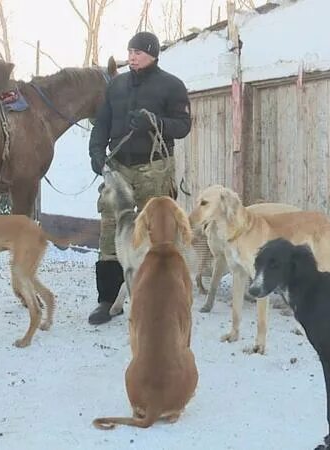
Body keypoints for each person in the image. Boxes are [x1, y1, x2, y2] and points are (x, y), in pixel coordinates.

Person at [87, 31, 192, 325]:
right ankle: (107, 300)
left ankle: (159, 295)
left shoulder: (172, 86)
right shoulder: (116, 85)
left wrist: (154, 122)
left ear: (153, 54)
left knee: (156, 233)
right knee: (110, 228)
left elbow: (183, 125)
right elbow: (102, 122)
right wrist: (96, 151)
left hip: (154, 166)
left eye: (138, 52)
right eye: (130, 51)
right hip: (119, 164)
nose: (132, 56)